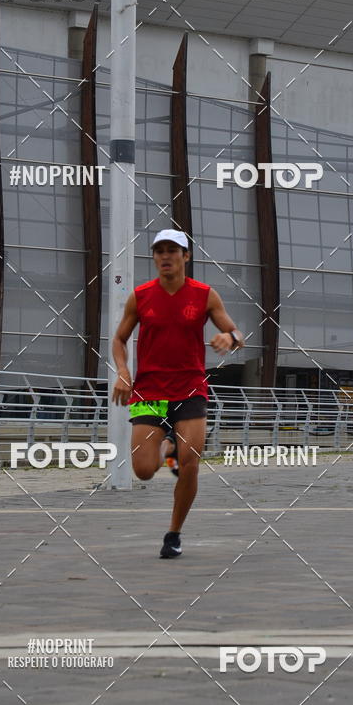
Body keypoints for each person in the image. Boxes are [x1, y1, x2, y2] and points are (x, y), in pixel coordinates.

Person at [111, 229, 244, 558]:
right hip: (150, 391)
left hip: (190, 388)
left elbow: (236, 332)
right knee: (143, 470)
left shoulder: (204, 295)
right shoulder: (141, 296)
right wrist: (123, 372)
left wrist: (230, 338)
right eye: (160, 251)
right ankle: (168, 442)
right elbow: (119, 340)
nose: (165, 256)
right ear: (154, 257)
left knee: (190, 464)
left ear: (186, 256)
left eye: (173, 250)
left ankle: (173, 533)